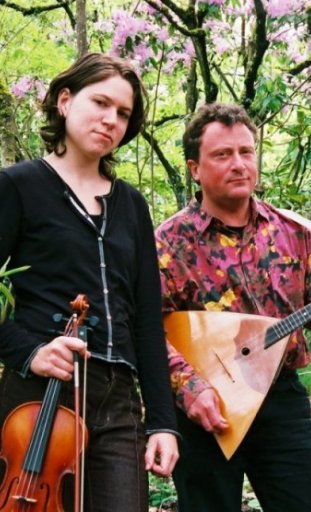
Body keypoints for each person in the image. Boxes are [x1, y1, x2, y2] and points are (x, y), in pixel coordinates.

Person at [155, 102, 311, 512]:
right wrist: (190, 388)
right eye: (222, 155)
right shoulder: (167, 244)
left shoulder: (291, 233)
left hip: (280, 399)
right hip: (205, 408)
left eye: (246, 151)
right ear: (194, 169)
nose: (239, 164)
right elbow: (147, 328)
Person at [0, 53, 179, 512]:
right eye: (100, 102)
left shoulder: (132, 206)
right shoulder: (17, 186)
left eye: (123, 113)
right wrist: (29, 352)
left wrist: (162, 421)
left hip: (119, 399)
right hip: (40, 395)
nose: (111, 119)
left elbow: (145, 320)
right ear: (64, 101)